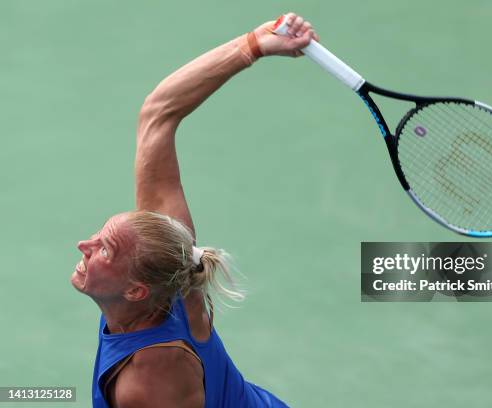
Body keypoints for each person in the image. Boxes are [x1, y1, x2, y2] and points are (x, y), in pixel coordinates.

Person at [71, 13, 318, 408]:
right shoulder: (171, 263)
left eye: (104, 250)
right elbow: (159, 114)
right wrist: (255, 43)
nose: (83, 244)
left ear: (136, 290)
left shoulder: (149, 379)